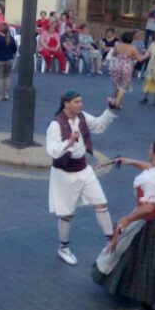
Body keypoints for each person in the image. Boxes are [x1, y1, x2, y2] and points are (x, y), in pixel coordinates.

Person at [91, 140, 155, 310]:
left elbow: (149, 207)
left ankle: (147, 298)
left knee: (147, 261)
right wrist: (130, 161)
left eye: (150, 149)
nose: (148, 150)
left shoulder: (151, 180)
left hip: (154, 222)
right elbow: (150, 168)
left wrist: (127, 219)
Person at [46, 90, 117, 265]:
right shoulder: (55, 125)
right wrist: (68, 142)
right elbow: (51, 150)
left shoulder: (82, 117)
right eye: (77, 102)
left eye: (80, 101)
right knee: (67, 213)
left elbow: (99, 126)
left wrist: (109, 109)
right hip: (64, 174)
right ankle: (63, 248)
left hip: (84, 170)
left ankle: (111, 242)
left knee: (101, 203)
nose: (80, 104)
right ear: (66, 104)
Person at [108, 32, 147, 109]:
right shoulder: (132, 48)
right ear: (131, 39)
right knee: (123, 86)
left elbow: (113, 55)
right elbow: (139, 59)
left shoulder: (117, 46)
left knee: (116, 85)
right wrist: (146, 55)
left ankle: (116, 101)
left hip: (117, 65)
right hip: (126, 67)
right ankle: (117, 102)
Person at [0, 23, 18, 101]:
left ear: (0, 29)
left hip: (0, 60)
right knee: (7, 76)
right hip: (9, 60)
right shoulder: (12, 38)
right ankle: (6, 94)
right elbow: (15, 50)